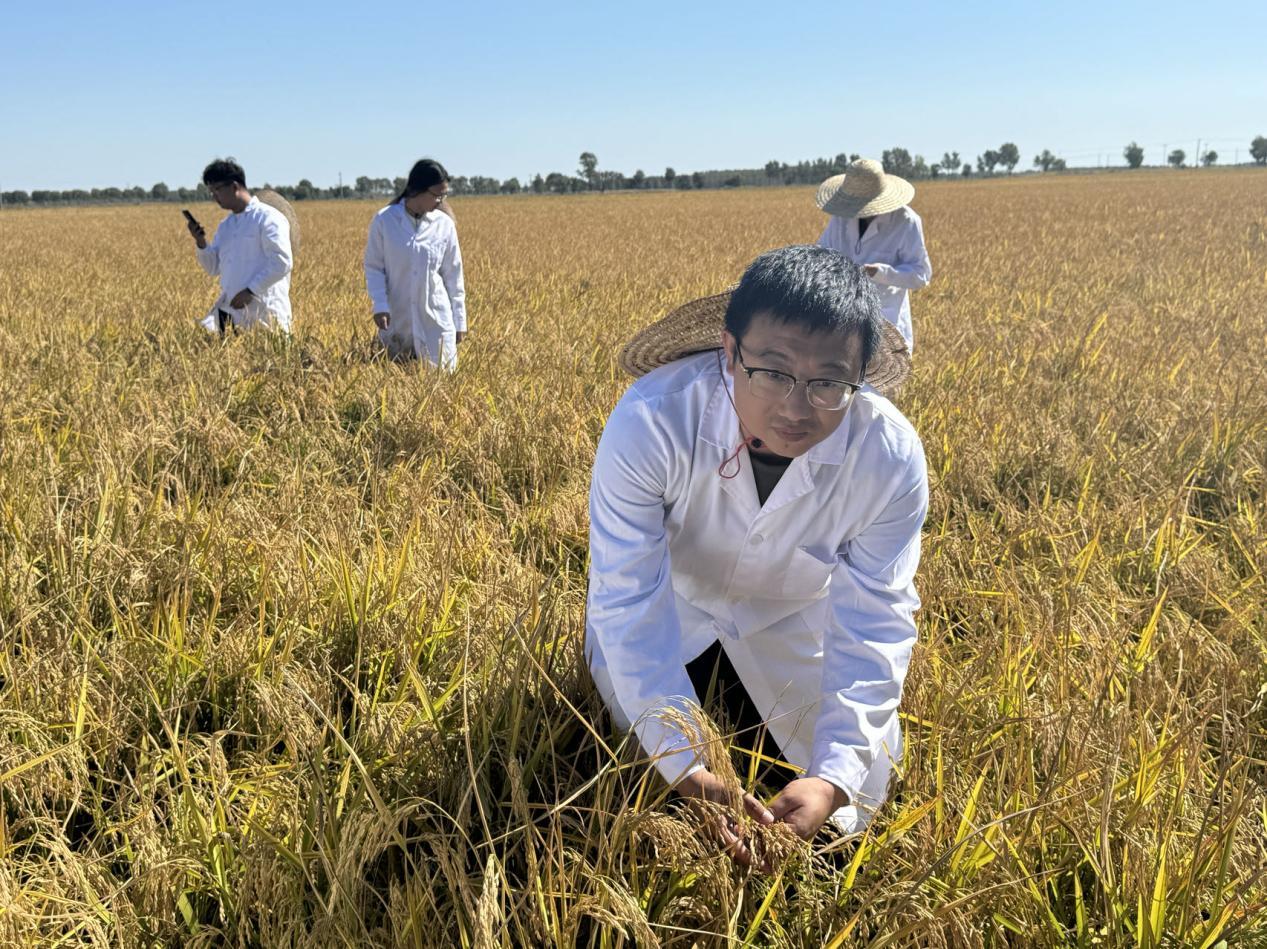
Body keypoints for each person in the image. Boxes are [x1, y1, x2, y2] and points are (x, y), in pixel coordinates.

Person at [586, 245, 928, 860]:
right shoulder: (651, 420)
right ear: (728, 350)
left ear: (860, 373)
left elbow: (876, 618)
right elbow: (627, 598)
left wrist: (832, 777)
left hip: (789, 620)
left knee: (860, 790)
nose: (796, 407)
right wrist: (685, 768)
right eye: (771, 371)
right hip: (673, 608)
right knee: (645, 778)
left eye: (828, 381)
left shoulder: (888, 456)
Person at [816, 158, 931, 351]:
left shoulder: (905, 222)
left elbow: (920, 276)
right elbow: (821, 257)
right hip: (842, 323)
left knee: (879, 379)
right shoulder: (841, 218)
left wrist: (880, 272)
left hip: (886, 324)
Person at [363, 159, 467, 367]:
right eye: (437, 195)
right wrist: (380, 305)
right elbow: (374, 267)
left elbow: (453, 275)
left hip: (436, 321)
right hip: (397, 318)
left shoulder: (444, 225)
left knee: (439, 382)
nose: (441, 201)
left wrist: (460, 320)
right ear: (416, 190)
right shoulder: (385, 221)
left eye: (444, 195)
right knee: (395, 379)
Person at [186, 159, 293, 334]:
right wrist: (201, 242)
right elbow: (213, 267)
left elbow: (281, 262)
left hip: (265, 313)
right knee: (199, 338)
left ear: (235, 186)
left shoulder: (268, 218)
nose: (214, 197)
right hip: (232, 313)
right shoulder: (226, 225)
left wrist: (251, 291)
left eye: (217, 190)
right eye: (211, 191)